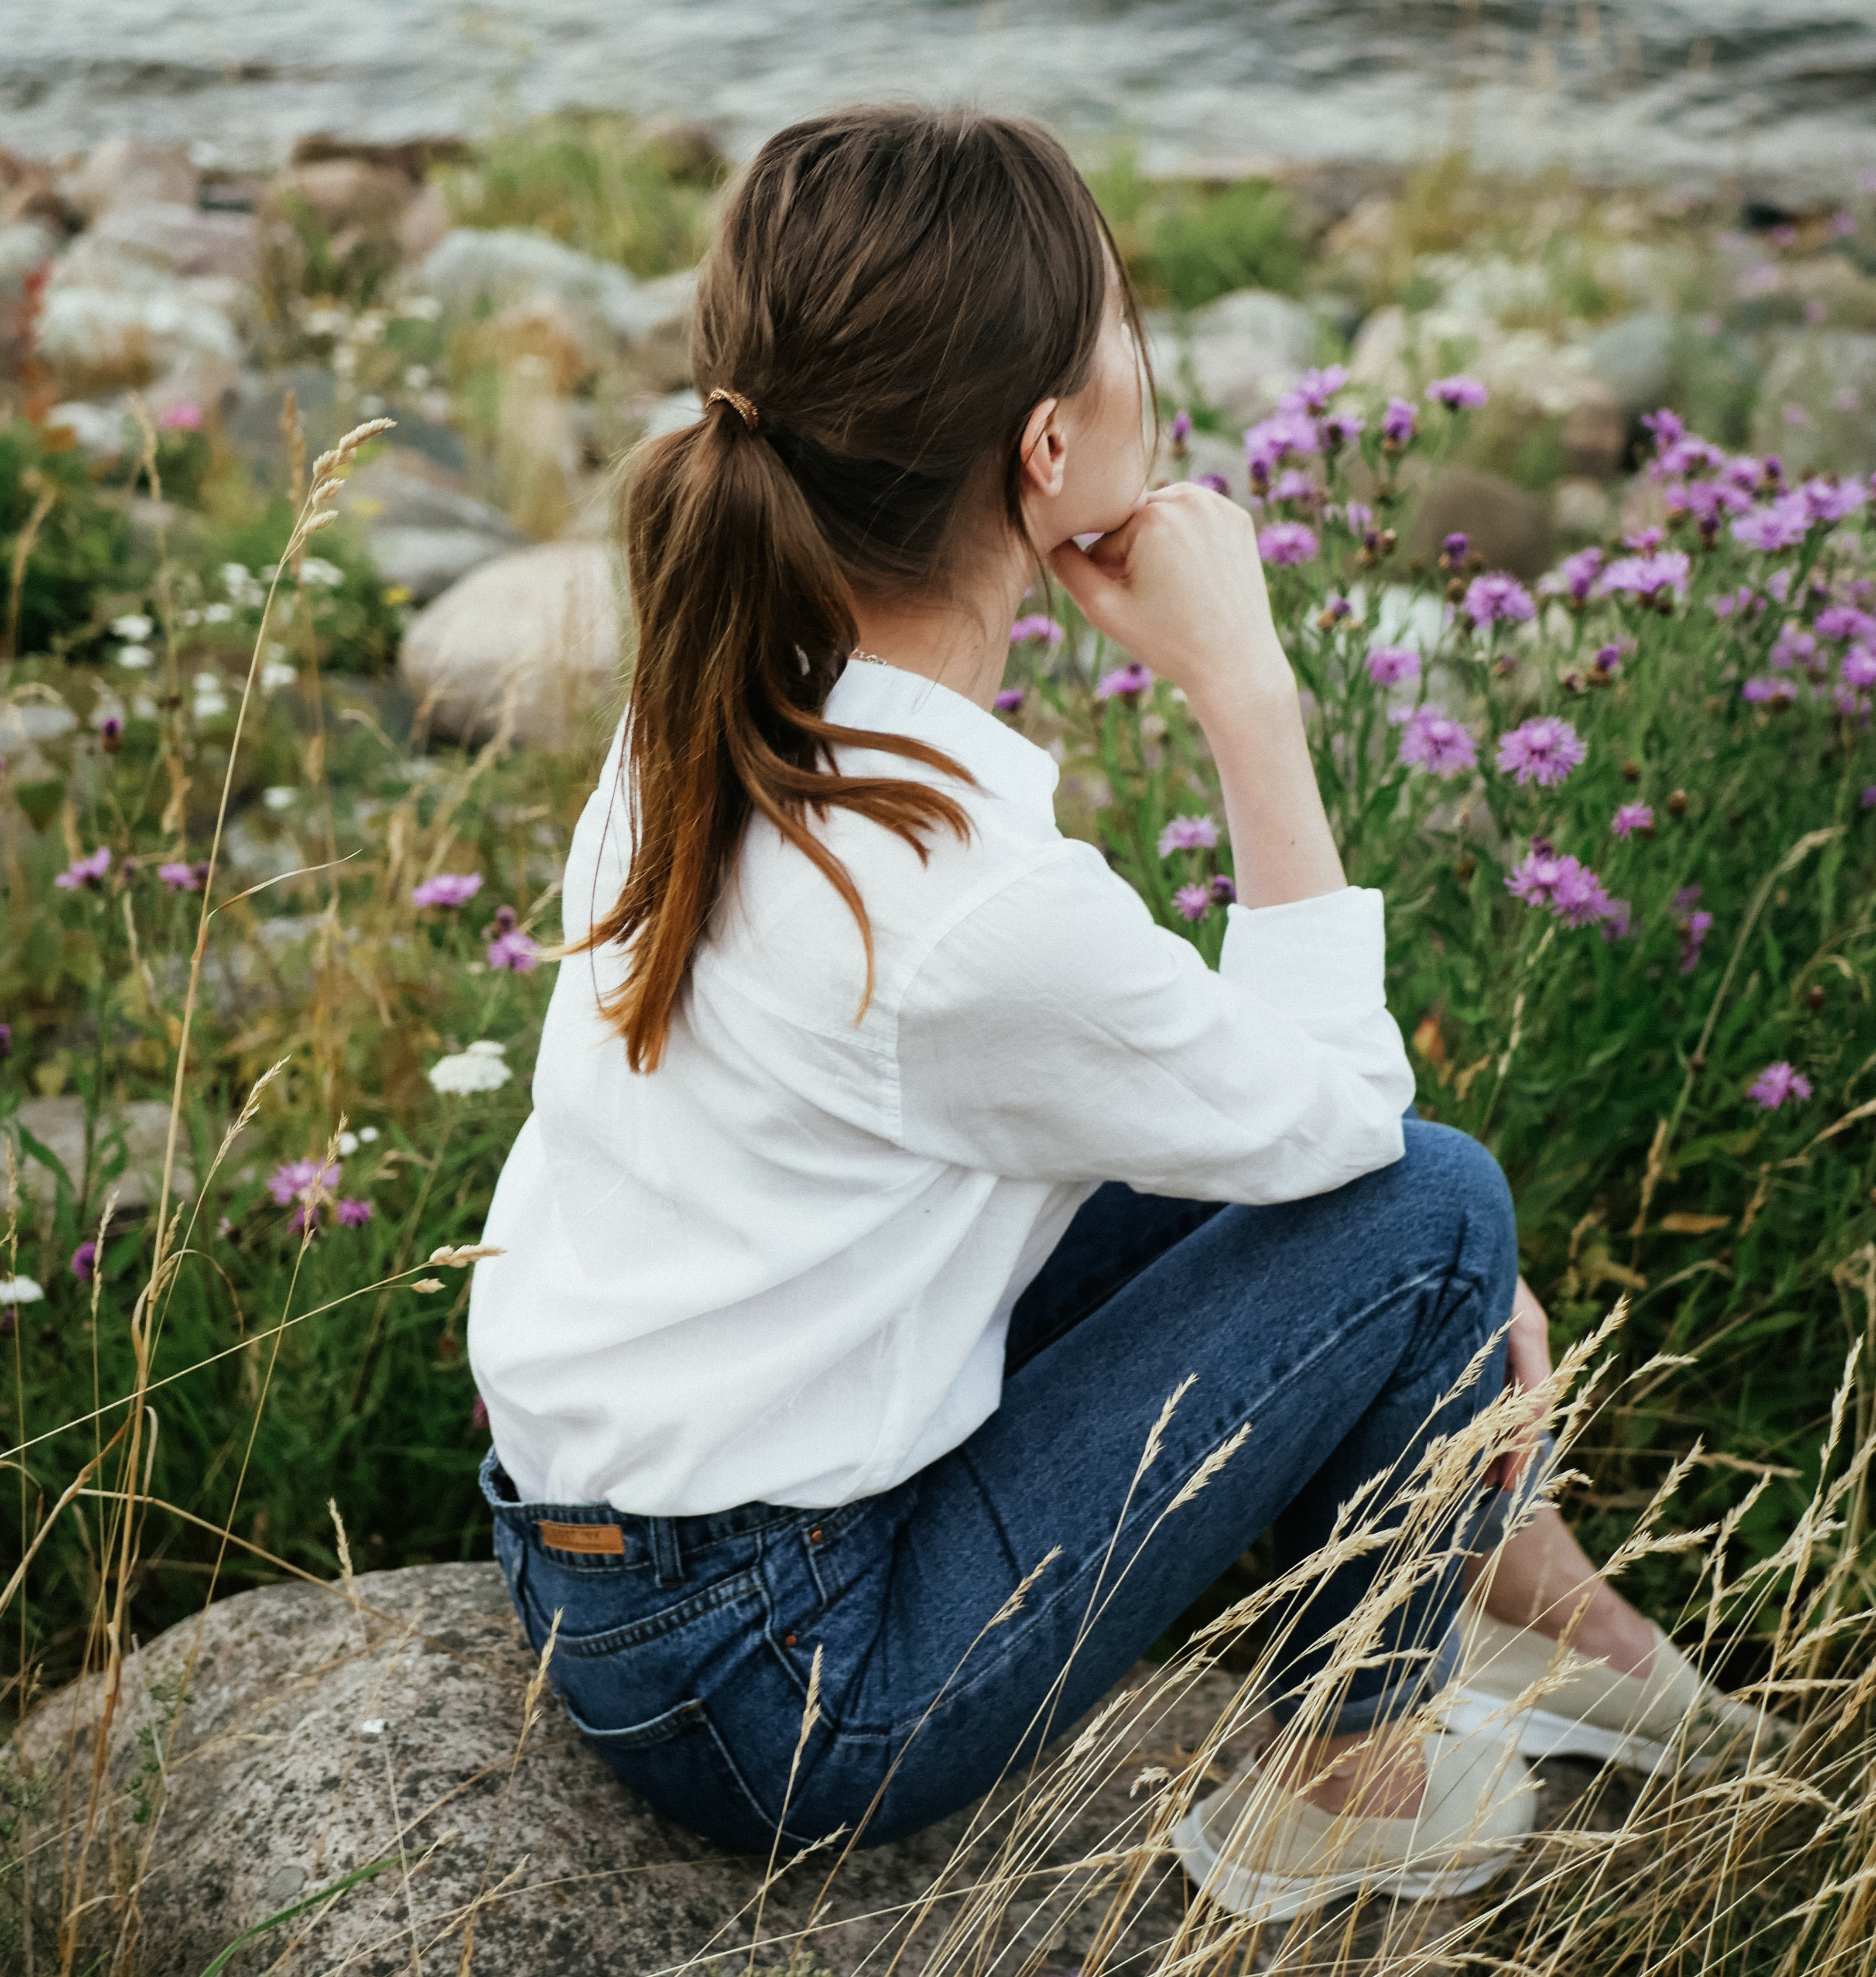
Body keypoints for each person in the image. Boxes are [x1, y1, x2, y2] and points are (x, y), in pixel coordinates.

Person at [467, 105, 1773, 1913]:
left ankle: (1529, 1595)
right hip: (780, 1686)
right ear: (1048, 445)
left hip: (597, 1564)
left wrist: (1403, 1285)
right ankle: (1352, 1773)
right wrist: (1247, 690)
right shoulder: (960, 903)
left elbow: (1221, 1120)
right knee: (1437, 1208)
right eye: (1121, 329)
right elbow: (1345, 1123)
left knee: (1390, 1230)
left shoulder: (722, 701)